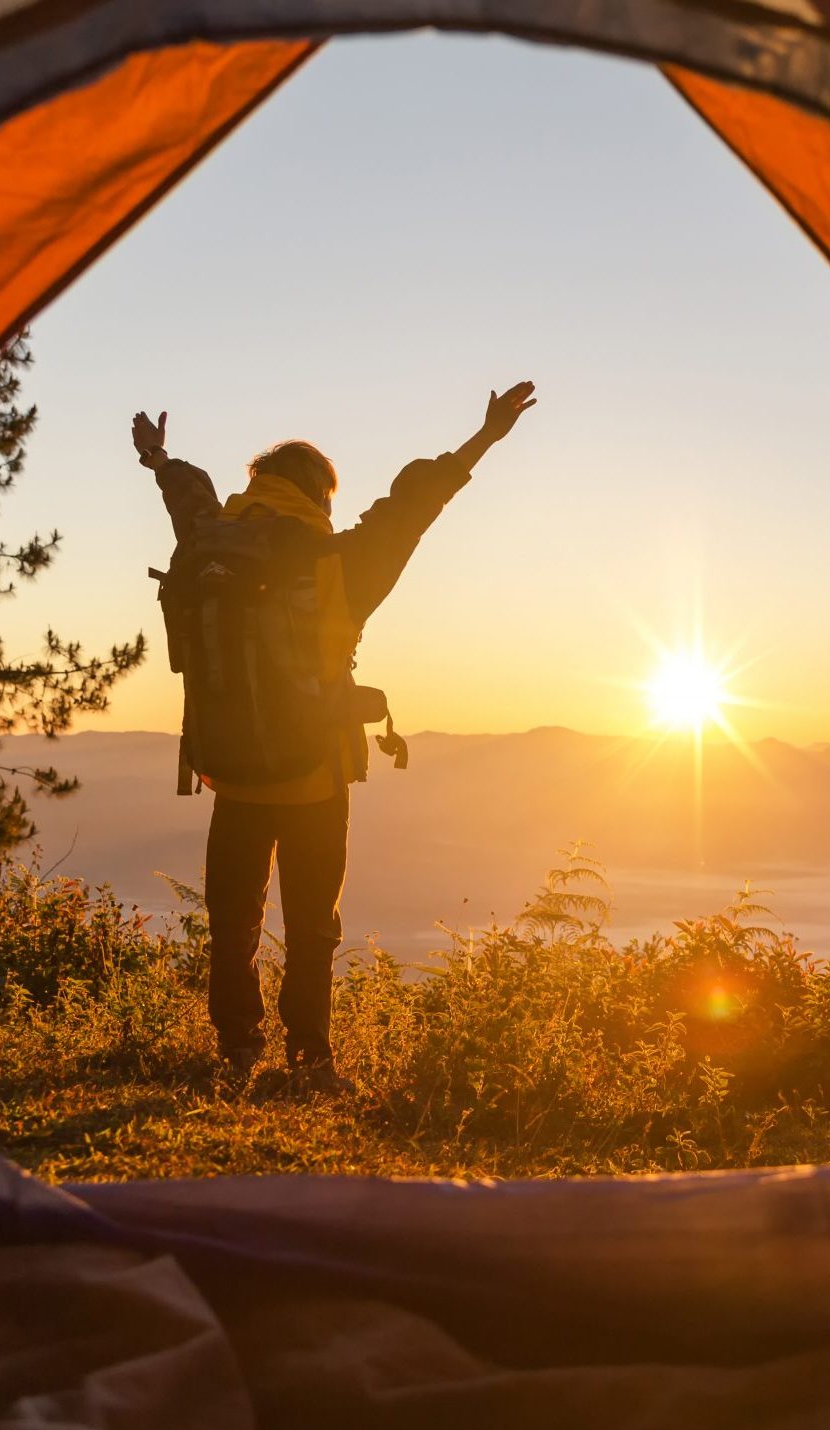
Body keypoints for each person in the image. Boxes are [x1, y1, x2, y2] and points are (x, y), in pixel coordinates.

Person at [130, 382, 537, 1091]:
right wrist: (484, 438)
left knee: (233, 918)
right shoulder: (341, 561)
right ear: (319, 495)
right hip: (313, 773)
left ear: (257, 485)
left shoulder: (207, 543)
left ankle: (235, 1050)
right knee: (312, 924)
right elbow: (415, 504)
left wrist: (157, 456)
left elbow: (188, 494)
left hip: (228, 769)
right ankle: (309, 1061)